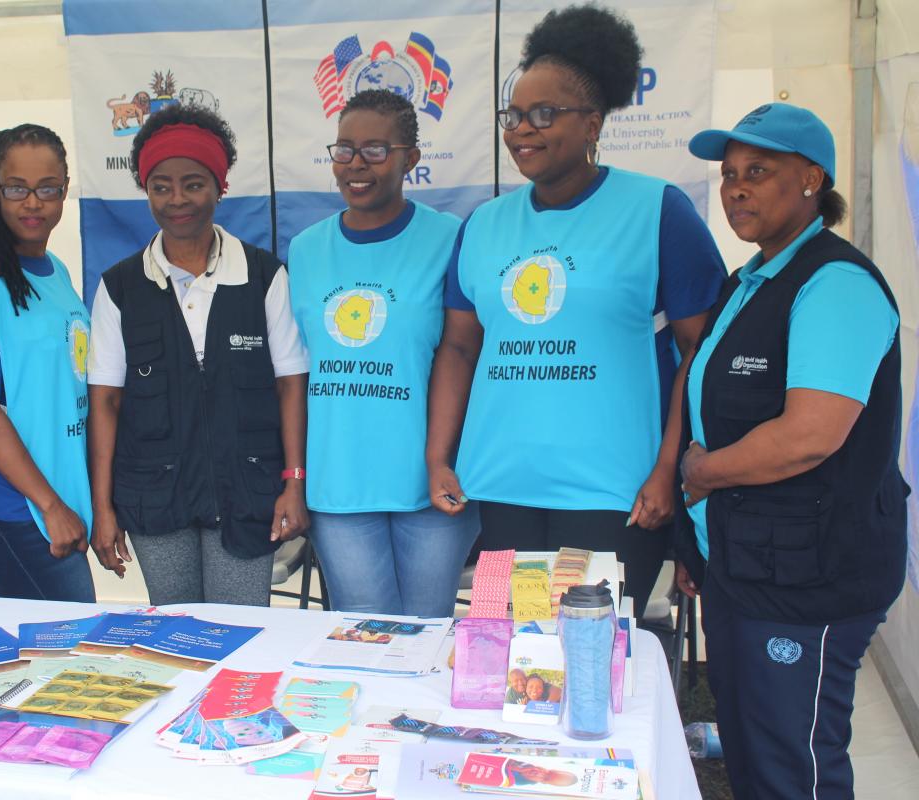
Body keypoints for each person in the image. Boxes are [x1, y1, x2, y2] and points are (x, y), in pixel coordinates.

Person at [426, 4, 726, 617]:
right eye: (513, 115)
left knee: (593, 668)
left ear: (593, 123)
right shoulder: (483, 225)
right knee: (514, 658)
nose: (521, 130)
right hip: (502, 486)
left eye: (544, 113)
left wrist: (668, 468)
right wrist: (438, 457)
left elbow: (703, 350)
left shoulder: (657, 211)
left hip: (615, 494)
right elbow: (459, 346)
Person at [677, 102, 907, 799]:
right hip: (747, 568)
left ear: (812, 180)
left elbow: (808, 436)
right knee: (750, 755)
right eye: (729, 175)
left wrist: (699, 475)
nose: (736, 188)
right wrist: (704, 550)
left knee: (793, 766)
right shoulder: (752, 280)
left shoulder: (835, 283)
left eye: (759, 172)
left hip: (810, 579)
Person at [87, 105, 309, 606]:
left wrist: (293, 481)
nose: (177, 200)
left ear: (220, 186)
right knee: (176, 634)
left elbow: (290, 384)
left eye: (194, 184)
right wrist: (103, 508)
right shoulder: (119, 287)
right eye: (161, 186)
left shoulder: (263, 277)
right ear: (146, 190)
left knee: (243, 634)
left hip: (247, 495)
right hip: (153, 500)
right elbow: (105, 403)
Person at [288, 89, 480, 617]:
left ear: (410, 159)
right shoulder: (305, 249)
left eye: (375, 150)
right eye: (344, 149)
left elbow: (465, 353)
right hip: (340, 483)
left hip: (431, 485)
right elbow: (296, 375)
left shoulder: (451, 239)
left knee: (427, 630)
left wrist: (442, 459)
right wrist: (295, 479)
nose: (355, 164)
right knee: (366, 639)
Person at [0, 124, 96, 603]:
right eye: (17, 189)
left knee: (56, 649)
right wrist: (49, 505)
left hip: (51, 494)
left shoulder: (58, 274)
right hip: (9, 505)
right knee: (74, 637)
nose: (33, 202)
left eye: (47, 189)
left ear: (64, 191)